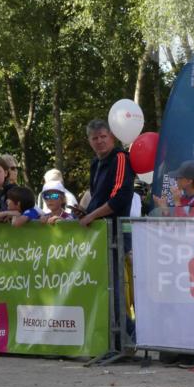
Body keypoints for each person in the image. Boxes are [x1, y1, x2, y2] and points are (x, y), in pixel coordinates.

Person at [81, 119, 136, 346]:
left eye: (103, 136)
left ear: (112, 137)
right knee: (104, 284)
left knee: (115, 284)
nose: (100, 141)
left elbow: (120, 197)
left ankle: (128, 336)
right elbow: (97, 197)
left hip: (116, 231)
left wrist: (92, 216)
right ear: (90, 141)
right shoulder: (95, 163)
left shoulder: (121, 158)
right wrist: (84, 212)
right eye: (95, 138)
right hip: (99, 232)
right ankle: (114, 337)